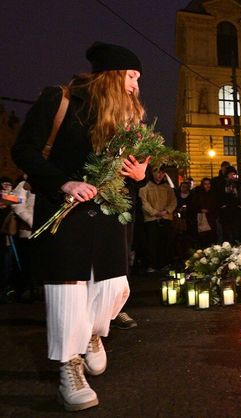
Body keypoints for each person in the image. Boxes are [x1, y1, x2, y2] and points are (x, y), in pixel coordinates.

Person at [11, 41, 150, 411]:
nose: (136, 85)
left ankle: (91, 334)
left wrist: (139, 175)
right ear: (113, 75)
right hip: (64, 212)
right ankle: (69, 369)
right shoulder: (60, 100)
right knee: (67, 294)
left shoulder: (127, 118)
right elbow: (23, 151)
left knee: (114, 289)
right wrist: (64, 182)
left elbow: (131, 171)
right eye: (132, 76)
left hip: (109, 217)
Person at [139, 167, 177, 272]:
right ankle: (152, 265)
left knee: (165, 242)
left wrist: (166, 211)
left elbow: (173, 201)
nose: (160, 175)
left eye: (162, 172)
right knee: (152, 243)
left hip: (166, 218)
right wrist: (154, 212)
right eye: (157, 172)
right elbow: (143, 202)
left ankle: (164, 264)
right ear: (152, 173)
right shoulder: (145, 187)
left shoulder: (167, 187)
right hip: (151, 219)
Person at [191, 177, 219, 247]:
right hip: (202, 218)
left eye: (209, 184)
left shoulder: (214, 194)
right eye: (205, 184)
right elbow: (193, 206)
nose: (207, 185)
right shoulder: (199, 194)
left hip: (211, 218)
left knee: (212, 238)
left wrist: (212, 212)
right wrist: (200, 210)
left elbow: (216, 206)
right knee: (203, 238)